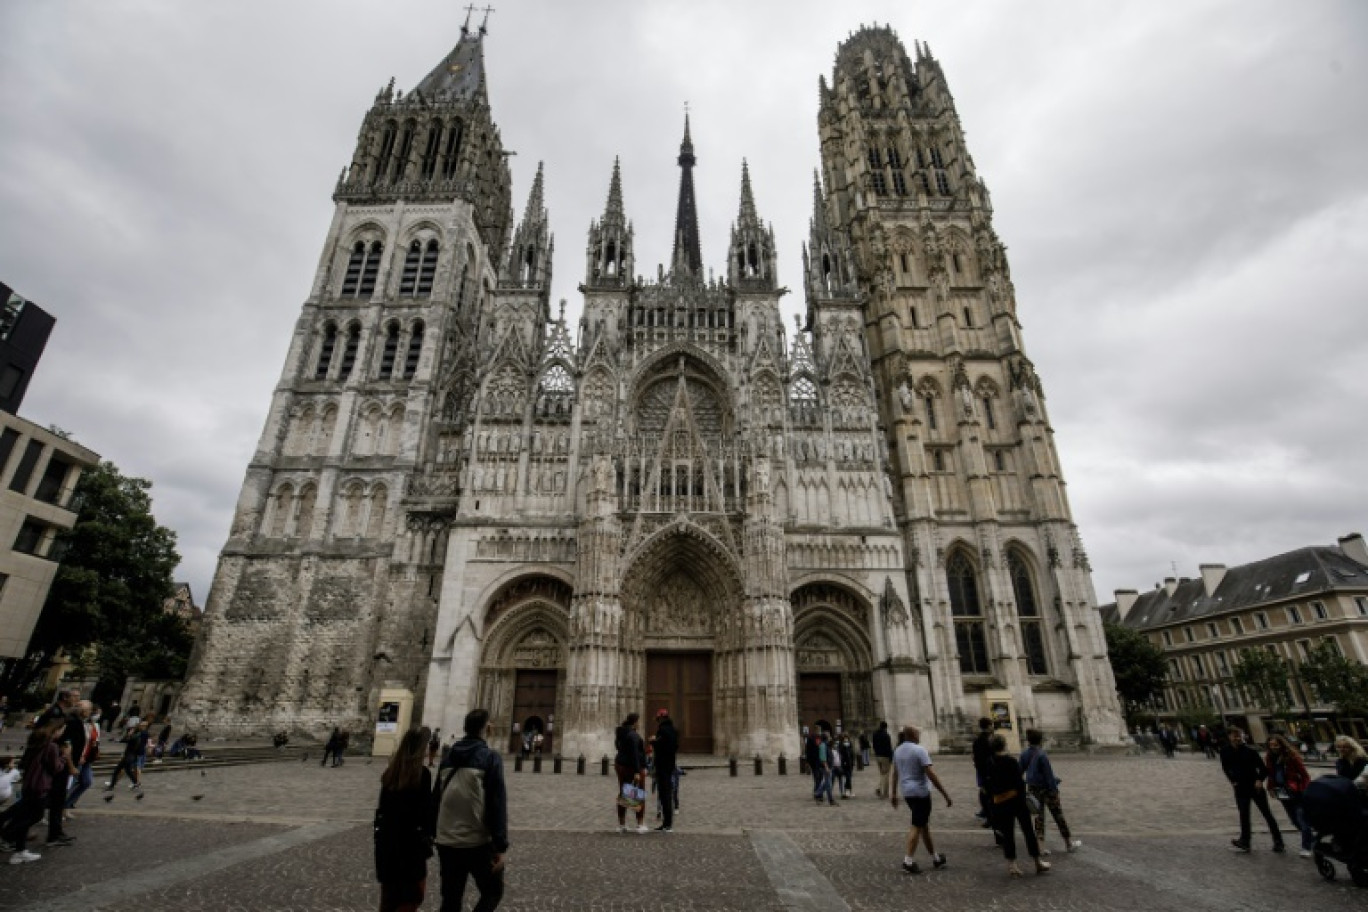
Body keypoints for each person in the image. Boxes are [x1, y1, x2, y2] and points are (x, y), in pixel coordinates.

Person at [434, 708, 507, 912]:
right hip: (477, 841)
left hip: (446, 840)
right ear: (487, 728)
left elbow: (436, 798)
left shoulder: (447, 757)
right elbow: (496, 803)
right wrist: (500, 845)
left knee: (450, 899)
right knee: (493, 891)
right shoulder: (490, 757)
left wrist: (435, 834)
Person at [374, 726, 435, 912]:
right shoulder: (422, 775)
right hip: (410, 848)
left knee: (389, 899)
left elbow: (381, 811)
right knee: (411, 898)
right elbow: (425, 814)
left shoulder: (389, 773)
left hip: (387, 845)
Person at [4, 718, 74, 864]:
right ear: (57, 730)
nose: (63, 733)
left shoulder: (37, 742)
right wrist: (64, 756)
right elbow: (55, 768)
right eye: (62, 730)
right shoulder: (52, 746)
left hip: (30, 783)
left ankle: (20, 850)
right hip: (40, 785)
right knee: (36, 815)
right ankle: (6, 834)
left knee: (24, 815)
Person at [888, 724, 951, 874]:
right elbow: (931, 774)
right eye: (917, 733)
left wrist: (894, 793)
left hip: (908, 793)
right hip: (921, 793)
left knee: (923, 825)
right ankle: (908, 861)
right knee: (917, 825)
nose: (919, 735)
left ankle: (935, 858)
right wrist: (945, 794)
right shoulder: (919, 750)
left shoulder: (897, 750)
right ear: (912, 735)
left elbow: (895, 773)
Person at [986, 734, 1050, 877]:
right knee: (1028, 831)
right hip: (1017, 801)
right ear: (1004, 745)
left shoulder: (989, 762)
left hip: (1000, 802)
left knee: (1008, 835)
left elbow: (988, 786)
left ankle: (1012, 866)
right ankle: (1037, 861)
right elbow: (1019, 783)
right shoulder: (1011, 761)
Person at [1219, 726, 1283, 853]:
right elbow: (1225, 768)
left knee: (1267, 814)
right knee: (1243, 815)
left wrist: (1259, 780)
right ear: (1229, 737)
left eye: (1239, 736)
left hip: (1254, 787)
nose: (1237, 738)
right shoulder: (1225, 751)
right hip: (1240, 788)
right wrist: (1233, 781)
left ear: (1243, 737)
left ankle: (1278, 841)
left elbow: (1264, 769)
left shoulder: (1250, 751)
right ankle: (1245, 841)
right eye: (1234, 736)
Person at [1019, 729, 1080, 854]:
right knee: (1058, 816)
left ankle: (1041, 847)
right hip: (1047, 790)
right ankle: (1068, 843)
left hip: (1033, 789)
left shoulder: (1024, 754)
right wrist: (1055, 791)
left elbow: (1019, 771)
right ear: (1040, 740)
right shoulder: (1042, 755)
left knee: (1039, 818)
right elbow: (1048, 776)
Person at [1264, 734, 1313, 858]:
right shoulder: (1270, 758)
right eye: (1271, 745)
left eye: (1276, 745)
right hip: (1283, 793)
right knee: (1294, 820)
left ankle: (1306, 846)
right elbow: (1271, 774)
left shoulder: (1292, 756)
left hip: (1296, 791)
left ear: (1282, 744)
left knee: (1302, 818)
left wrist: (1304, 789)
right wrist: (1270, 787)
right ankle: (1311, 839)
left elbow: (1305, 775)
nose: (1274, 747)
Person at [612, 713, 648, 833]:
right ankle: (640, 824)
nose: (639, 724)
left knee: (624, 792)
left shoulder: (621, 732)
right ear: (635, 722)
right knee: (638, 794)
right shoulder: (633, 736)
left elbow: (618, 747)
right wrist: (638, 771)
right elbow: (635, 755)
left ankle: (622, 824)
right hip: (632, 768)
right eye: (638, 721)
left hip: (621, 765)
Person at [651, 708, 678, 832]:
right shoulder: (673, 730)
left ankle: (667, 824)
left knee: (664, 795)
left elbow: (662, 746)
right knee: (666, 794)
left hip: (662, 765)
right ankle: (667, 823)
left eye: (658, 719)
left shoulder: (663, 730)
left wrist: (653, 742)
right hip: (670, 764)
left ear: (661, 718)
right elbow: (674, 746)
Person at [105, 720, 150, 794]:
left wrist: (129, 734)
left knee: (117, 770)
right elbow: (125, 740)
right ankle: (136, 783)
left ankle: (111, 786)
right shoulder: (137, 735)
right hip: (131, 756)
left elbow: (125, 740)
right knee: (128, 771)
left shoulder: (137, 736)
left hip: (129, 757)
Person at [971, 717, 995, 829]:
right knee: (987, 794)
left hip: (983, 770)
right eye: (991, 725)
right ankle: (990, 817)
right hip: (986, 770)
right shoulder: (985, 740)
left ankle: (987, 814)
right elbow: (984, 757)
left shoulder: (983, 739)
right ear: (988, 726)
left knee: (985, 792)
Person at [872, 721, 894, 798]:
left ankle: (879, 787)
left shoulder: (875, 734)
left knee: (882, 773)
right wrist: (891, 757)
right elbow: (889, 747)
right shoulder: (886, 735)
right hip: (885, 756)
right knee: (886, 774)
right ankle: (884, 792)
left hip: (878, 756)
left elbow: (874, 745)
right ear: (886, 727)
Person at [838, 734, 855, 798]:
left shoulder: (850, 745)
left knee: (849, 778)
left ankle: (849, 791)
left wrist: (852, 763)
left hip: (850, 764)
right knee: (847, 778)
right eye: (845, 738)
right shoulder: (841, 746)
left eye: (847, 738)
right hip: (844, 764)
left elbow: (852, 755)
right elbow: (841, 754)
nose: (846, 740)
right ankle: (846, 791)